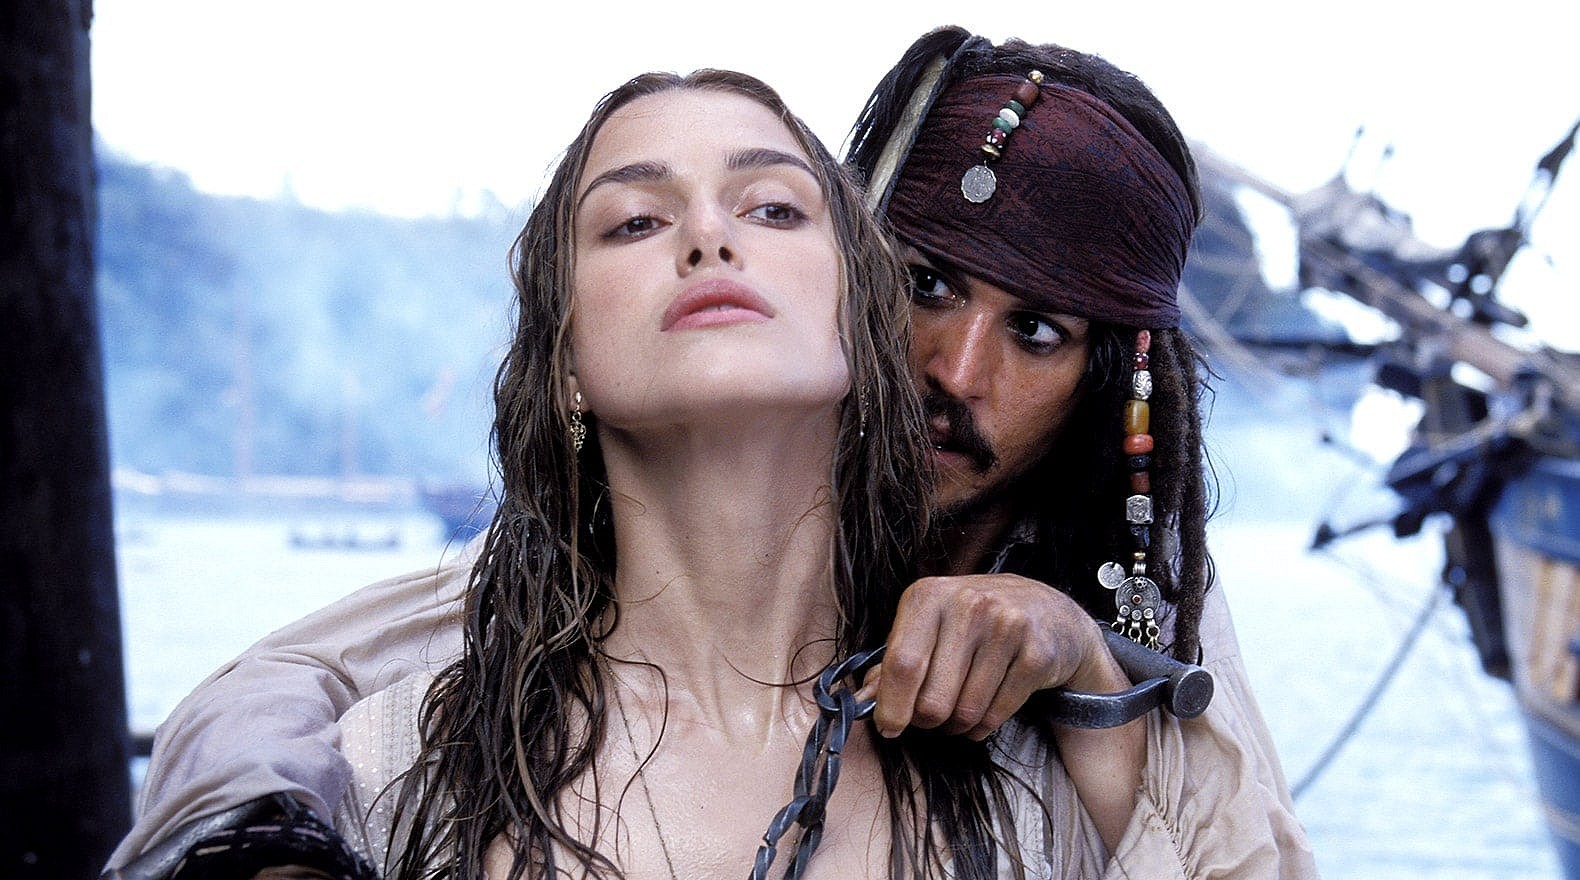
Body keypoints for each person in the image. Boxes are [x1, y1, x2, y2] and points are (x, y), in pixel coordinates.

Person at [106, 28, 1316, 880]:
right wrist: (266, 841)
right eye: (926, 284)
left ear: (1106, 392)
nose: (953, 370)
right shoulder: (483, 685)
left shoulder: (1123, 617)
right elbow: (289, 679)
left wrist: (1081, 668)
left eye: (1036, 332)